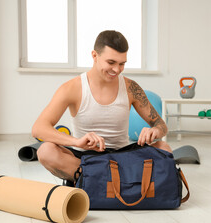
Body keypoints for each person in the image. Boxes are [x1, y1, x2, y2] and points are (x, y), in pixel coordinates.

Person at [32, 30, 172, 185]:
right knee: (46, 151)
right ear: (94, 56)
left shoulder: (131, 87)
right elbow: (39, 128)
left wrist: (155, 131)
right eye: (111, 63)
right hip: (84, 158)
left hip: (122, 155)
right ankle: (121, 180)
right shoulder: (72, 88)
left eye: (122, 64)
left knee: (163, 148)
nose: (117, 70)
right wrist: (76, 142)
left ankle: (95, 181)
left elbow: (161, 125)